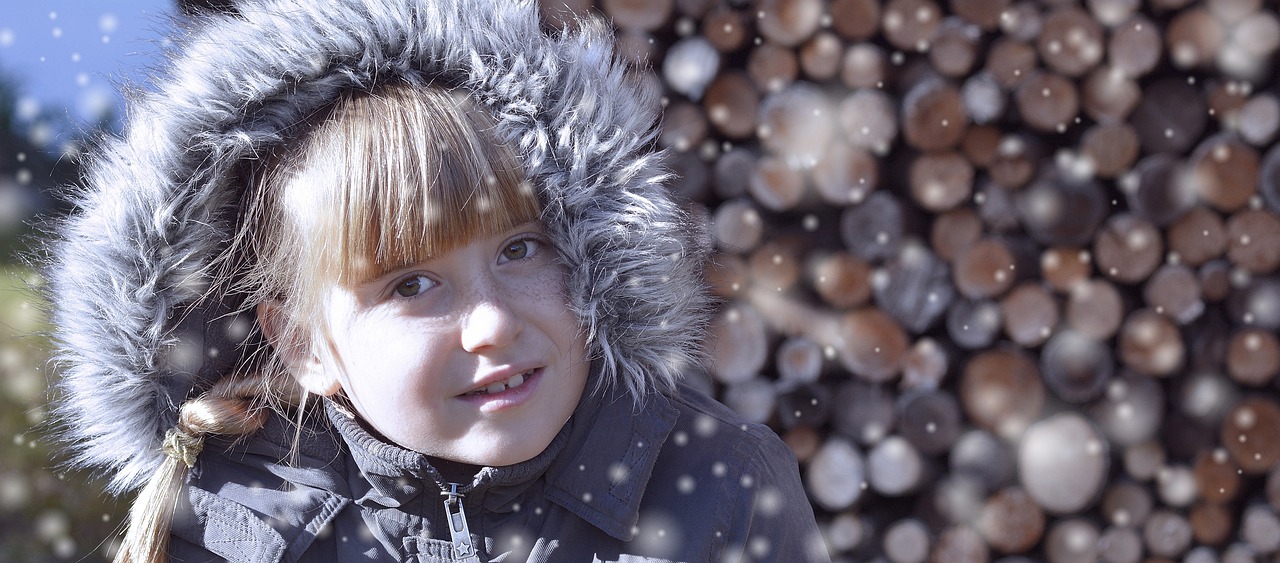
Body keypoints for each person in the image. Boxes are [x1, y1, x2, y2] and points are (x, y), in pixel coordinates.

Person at [46, 0, 829, 561]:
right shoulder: (237, 524)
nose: (491, 322)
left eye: (521, 249)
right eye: (411, 285)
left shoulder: (716, 484)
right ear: (304, 343)